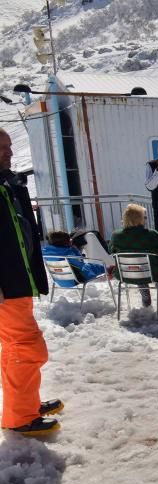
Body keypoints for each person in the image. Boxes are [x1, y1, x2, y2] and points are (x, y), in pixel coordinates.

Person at [0, 128, 60, 436]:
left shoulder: (9, 183)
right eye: (1, 148)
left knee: (15, 349)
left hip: (17, 282)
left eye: (9, 146)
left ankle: (22, 408)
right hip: (6, 287)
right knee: (28, 349)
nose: (9, 153)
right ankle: (21, 417)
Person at [109, 204, 158, 306]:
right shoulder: (152, 234)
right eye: (144, 217)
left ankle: (145, 295)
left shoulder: (116, 236)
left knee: (137, 265)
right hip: (155, 273)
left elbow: (111, 251)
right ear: (140, 219)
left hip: (126, 274)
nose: (146, 219)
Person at [41, 230, 107, 286]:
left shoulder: (47, 253)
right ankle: (109, 269)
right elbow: (81, 264)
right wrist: (74, 250)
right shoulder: (68, 254)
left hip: (59, 281)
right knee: (92, 266)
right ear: (66, 242)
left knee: (89, 266)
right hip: (73, 281)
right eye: (69, 240)